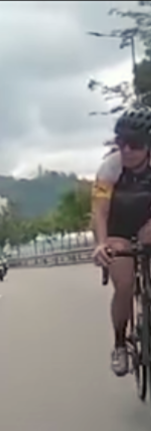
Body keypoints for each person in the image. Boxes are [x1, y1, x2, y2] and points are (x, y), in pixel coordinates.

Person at [92, 106, 151, 376]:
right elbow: (100, 211)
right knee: (125, 284)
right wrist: (101, 244)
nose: (126, 150)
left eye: (135, 144)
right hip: (118, 228)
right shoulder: (110, 167)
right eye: (121, 142)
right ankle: (119, 343)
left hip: (147, 224)